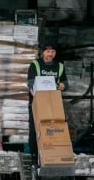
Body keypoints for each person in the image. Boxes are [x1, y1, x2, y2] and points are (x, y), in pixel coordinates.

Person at [27, 42, 68, 172]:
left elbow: (65, 83)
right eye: (47, 51)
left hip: (53, 102)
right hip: (37, 103)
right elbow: (30, 83)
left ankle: (53, 156)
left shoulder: (60, 66)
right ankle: (34, 158)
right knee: (35, 130)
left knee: (54, 129)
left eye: (52, 52)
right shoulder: (35, 64)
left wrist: (62, 85)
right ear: (43, 53)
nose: (50, 54)